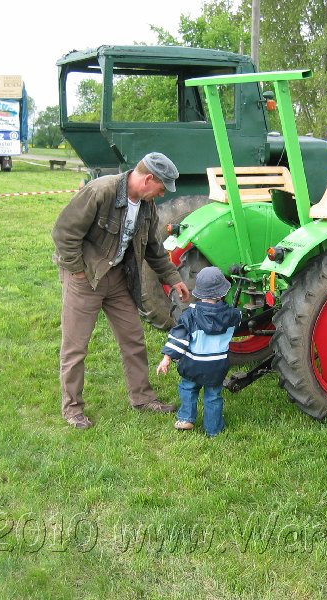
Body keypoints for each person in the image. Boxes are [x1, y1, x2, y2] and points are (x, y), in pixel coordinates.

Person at [52, 152, 191, 429]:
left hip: (116, 279)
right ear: (148, 179)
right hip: (85, 278)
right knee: (75, 347)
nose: (161, 195)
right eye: (161, 188)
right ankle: (72, 409)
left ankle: (142, 398)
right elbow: (64, 232)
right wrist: (78, 270)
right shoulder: (101, 191)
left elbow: (154, 249)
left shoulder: (147, 207)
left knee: (133, 338)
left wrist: (174, 278)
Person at [157, 267, 242, 437]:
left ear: (199, 293)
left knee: (188, 388)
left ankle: (186, 418)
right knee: (213, 396)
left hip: (193, 364)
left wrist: (167, 358)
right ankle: (213, 429)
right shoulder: (232, 316)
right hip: (217, 366)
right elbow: (239, 318)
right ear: (222, 293)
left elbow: (178, 338)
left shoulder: (190, 315)